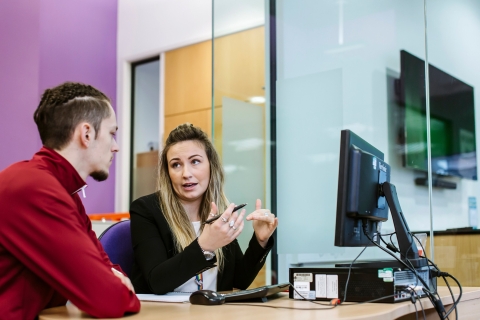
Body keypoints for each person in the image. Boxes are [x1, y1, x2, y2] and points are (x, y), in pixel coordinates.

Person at [0, 82, 140, 319]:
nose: (115, 147)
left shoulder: (65, 193)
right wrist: (112, 285)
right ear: (86, 134)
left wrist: (111, 281)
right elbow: (110, 299)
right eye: (112, 133)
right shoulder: (35, 189)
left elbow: (109, 270)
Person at [130, 123, 279, 294]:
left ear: (211, 166)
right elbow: (156, 282)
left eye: (195, 161)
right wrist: (205, 246)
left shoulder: (218, 213)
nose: (186, 173)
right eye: (176, 165)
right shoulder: (146, 210)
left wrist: (260, 242)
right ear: (167, 172)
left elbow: (240, 280)